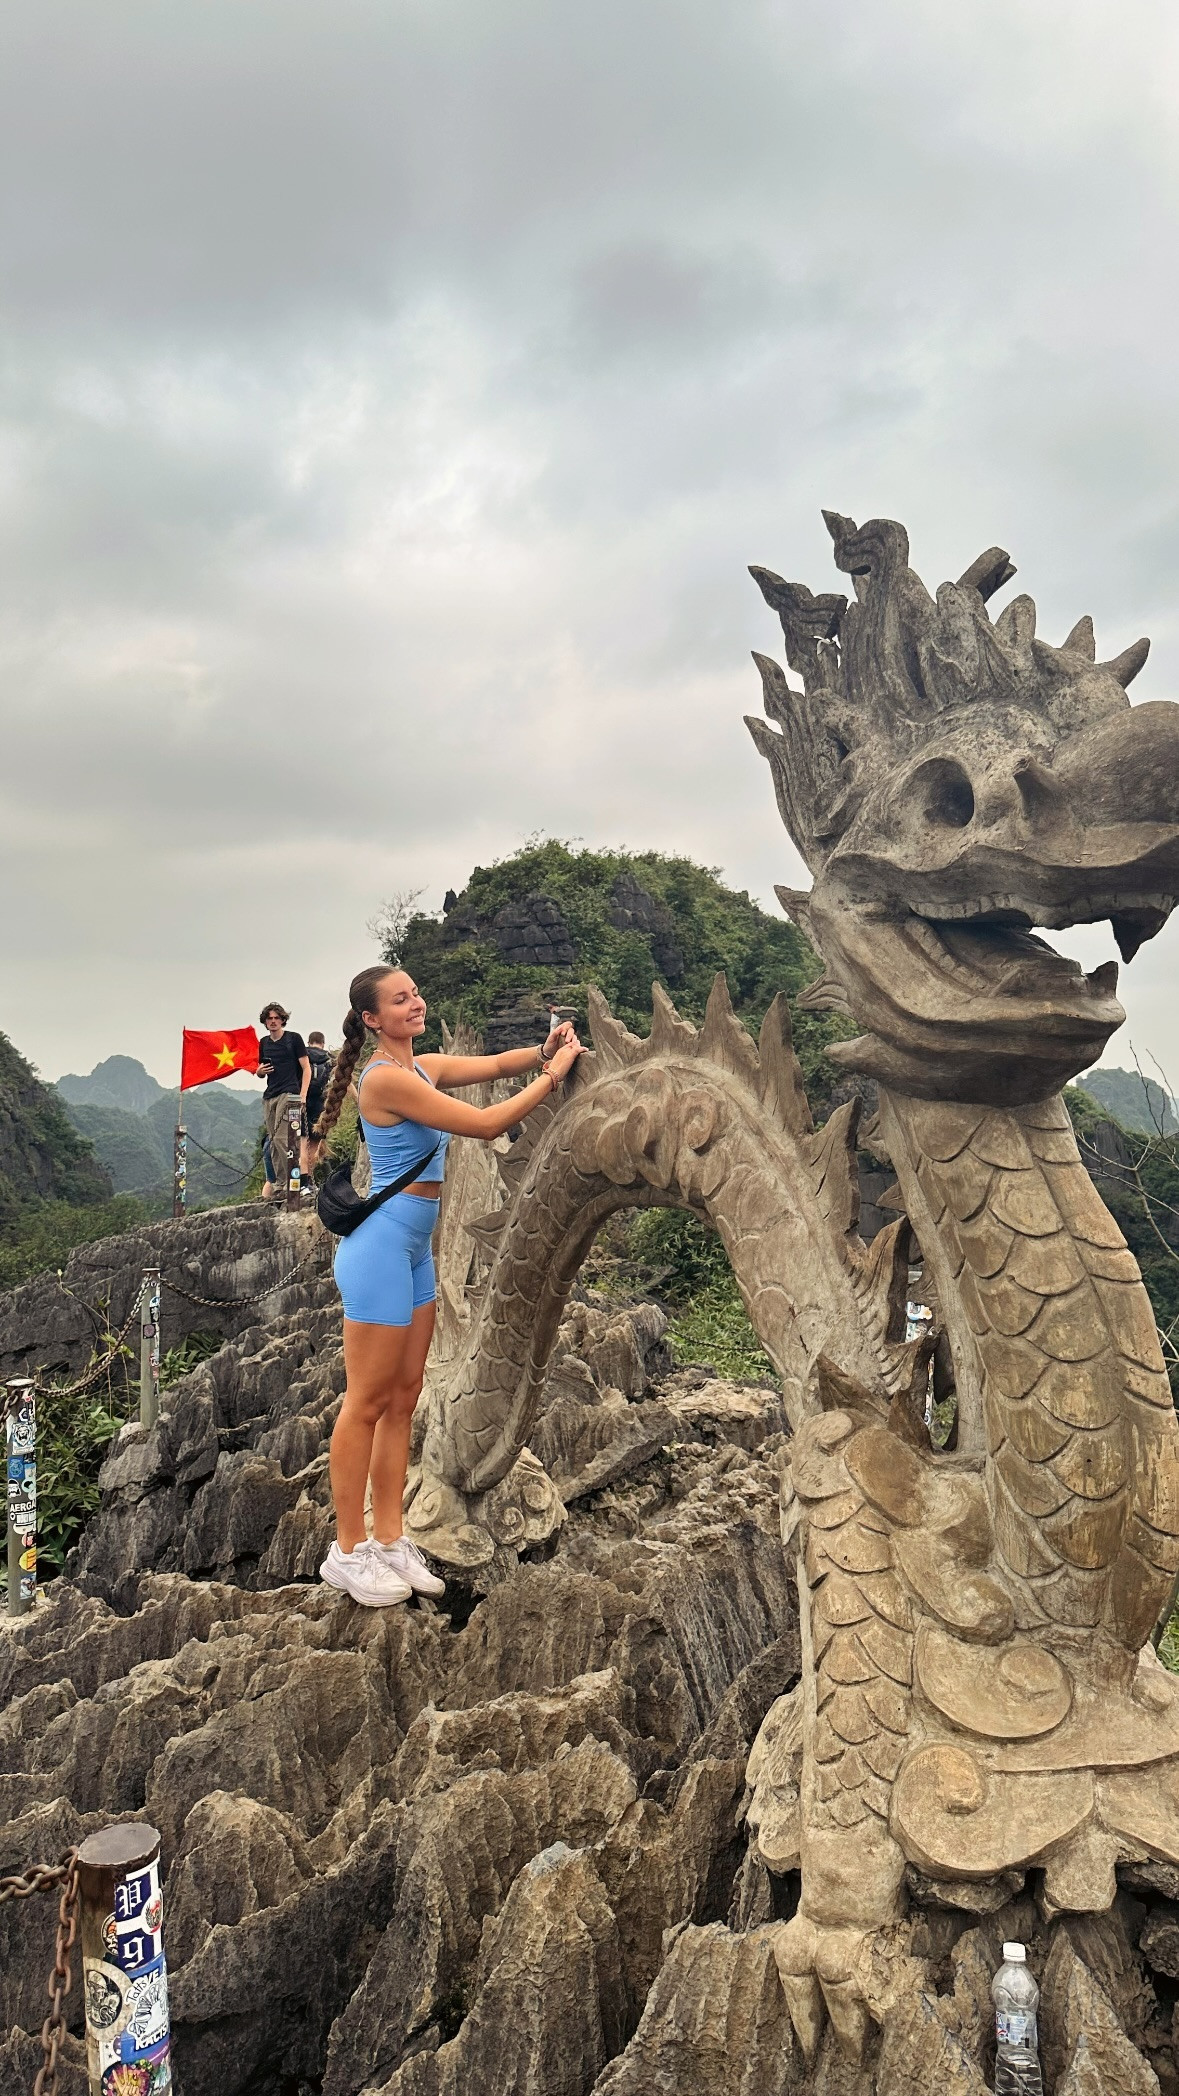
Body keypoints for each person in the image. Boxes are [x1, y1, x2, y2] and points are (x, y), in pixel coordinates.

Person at [313, 964, 583, 1608]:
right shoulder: (384, 1079)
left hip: (413, 1252)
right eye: (399, 999)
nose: (415, 1003)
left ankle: (389, 1538)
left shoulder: (422, 1068)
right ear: (372, 1019)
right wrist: (554, 1077)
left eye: (415, 993)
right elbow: (486, 1125)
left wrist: (542, 1051)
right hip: (379, 1252)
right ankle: (346, 1552)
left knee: (404, 1399)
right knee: (366, 1402)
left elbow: (495, 1066)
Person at [253, 1003, 311, 1197]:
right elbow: (262, 1072)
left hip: (289, 1093)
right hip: (270, 1095)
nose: (273, 1021)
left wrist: (302, 1095)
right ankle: (279, 1185)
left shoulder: (293, 1039)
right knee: (272, 1142)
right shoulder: (264, 1042)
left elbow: (306, 1068)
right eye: (269, 1018)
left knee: (282, 1138)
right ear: (265, 1021)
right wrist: (259, 1072)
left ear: (283, 1019)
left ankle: (294, 1182)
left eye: (277, 1018)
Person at [301, 1031, 333, 1183]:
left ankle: (302, 1182)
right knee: (314, 1146)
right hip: (321, 1104)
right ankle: (309, 1179)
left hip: (302, 1101)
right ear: (323, 1043)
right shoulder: (330, 1058)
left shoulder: (302, 1056)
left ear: (308, 1042)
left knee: (302, 1144)